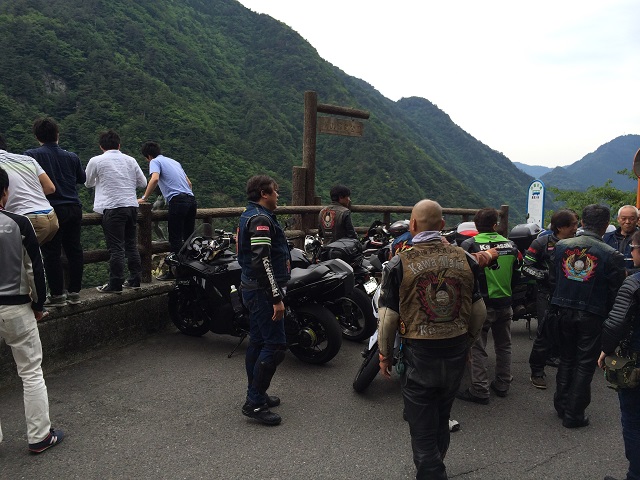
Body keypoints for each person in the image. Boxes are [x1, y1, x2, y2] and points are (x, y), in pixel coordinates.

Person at [377, 199, 486, 479]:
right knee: (442, 413)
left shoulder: (399, 262)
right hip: (456, 348)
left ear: (412, 225)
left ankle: (432, 471)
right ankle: (438, 460)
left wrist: (384, 354)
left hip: (419, 353)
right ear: (442, 225)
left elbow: (388, 317)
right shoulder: (466, 259)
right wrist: (468, 342)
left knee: (421, 424)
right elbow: (479, 310)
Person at [0, 166, 64, 453]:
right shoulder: (19, 223)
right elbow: (35, 269)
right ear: (5, 192)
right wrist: (38, 304)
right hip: (16, 308)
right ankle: (39, 437)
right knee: (30, 372)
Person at [549, 204, 625, 428]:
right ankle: (574, 413)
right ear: (606, 225)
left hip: (563, 310)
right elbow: (615, 293)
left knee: (566, 358)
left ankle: (561, 404)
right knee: (584, 363)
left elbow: (553, 279)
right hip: (593, 314)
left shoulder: (561, 246)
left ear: (582, 222)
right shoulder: (612, 255)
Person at [237, 175, 291, 426]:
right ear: (264, 193)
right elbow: (263, 262)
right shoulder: (260, 219)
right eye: (275, 191)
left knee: (258, 342)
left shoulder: (250, 214)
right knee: (276, 346)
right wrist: (276, 297)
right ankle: (255, 402)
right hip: (262, 291)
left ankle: (256, 392)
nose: (278, 195)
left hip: (252, 288)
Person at [457, 207, 522, 403]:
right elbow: (516, 274)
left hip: (481, 304)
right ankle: (503, 384)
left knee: (477, 346)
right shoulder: (512, 246)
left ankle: (480, 389)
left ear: (476, 226)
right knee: (504, 345)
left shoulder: (470, 244)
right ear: (495, 225)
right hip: (505, 301)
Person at [24, 117, 86, 307]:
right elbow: (81, 178)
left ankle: (58, 295)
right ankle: (75, 292)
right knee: (74, 250)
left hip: (52, 208)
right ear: (57, 135)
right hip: (74, 207)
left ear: (37, 137)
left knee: (52, 253)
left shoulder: (31, 155)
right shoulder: (72, 156)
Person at [598, 229, 640, 480]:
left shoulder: (634, 282)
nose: (631, 253)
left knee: (633, 419)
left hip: (635, 358)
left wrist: (606, 349)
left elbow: (616, 323)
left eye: (633, 248)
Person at [85, 130, 147, 293]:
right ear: (119, 145)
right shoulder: (130, 160)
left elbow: (88, 183)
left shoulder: (96, 160)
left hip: (112, 207)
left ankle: (115, 284)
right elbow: (143, 182)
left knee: (116, 248)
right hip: (131, 206)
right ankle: (135, 279)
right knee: (131, 245)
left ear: (101, 146)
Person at [523, 209, 579, 389]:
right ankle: (537, 371)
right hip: (546, 294)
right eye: (573, 225)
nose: (576, 228)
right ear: (561, 227)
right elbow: (526, 267)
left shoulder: (578, 243)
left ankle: (560, 365)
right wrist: (546, 276)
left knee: (567, 332)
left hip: (570, 295)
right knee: (544, 333)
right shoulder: (541, 242)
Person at [138, 141, 197, 280]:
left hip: (177, 201)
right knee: (188, 239)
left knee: (175, 239)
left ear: (148, 156)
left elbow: (155, 179)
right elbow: (189, 183)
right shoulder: (174, 162)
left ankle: (176, 273)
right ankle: (191, 271)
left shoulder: (155, 161)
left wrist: (144, 198)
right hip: (191, 200)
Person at [0, 133, 58, 245]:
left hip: (27, 219)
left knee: (13, 253)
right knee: (30, 253)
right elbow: (50, 188)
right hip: (51, 217)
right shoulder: (28, 159)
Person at [604, 205, 640, 273]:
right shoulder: (607, 237)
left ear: (637, 219)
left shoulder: (638, 239)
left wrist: (628, 273)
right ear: (618, 219)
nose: (627, 222)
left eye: (632, 219)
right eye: (623, 218)